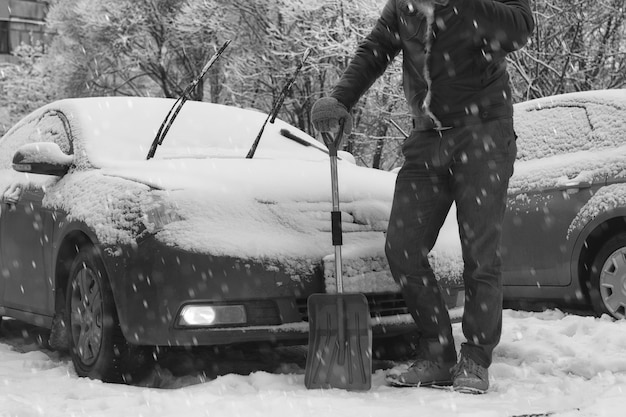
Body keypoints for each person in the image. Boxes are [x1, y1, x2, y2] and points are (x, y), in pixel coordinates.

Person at [310, 0, 534, 393]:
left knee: (480, 255)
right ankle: (438, 352)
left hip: (484, 131)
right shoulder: (404, 5)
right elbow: (376, 47)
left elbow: (519, 27)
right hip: (428, 135)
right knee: (403, 247)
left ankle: (476, 359)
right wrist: (341, 99)